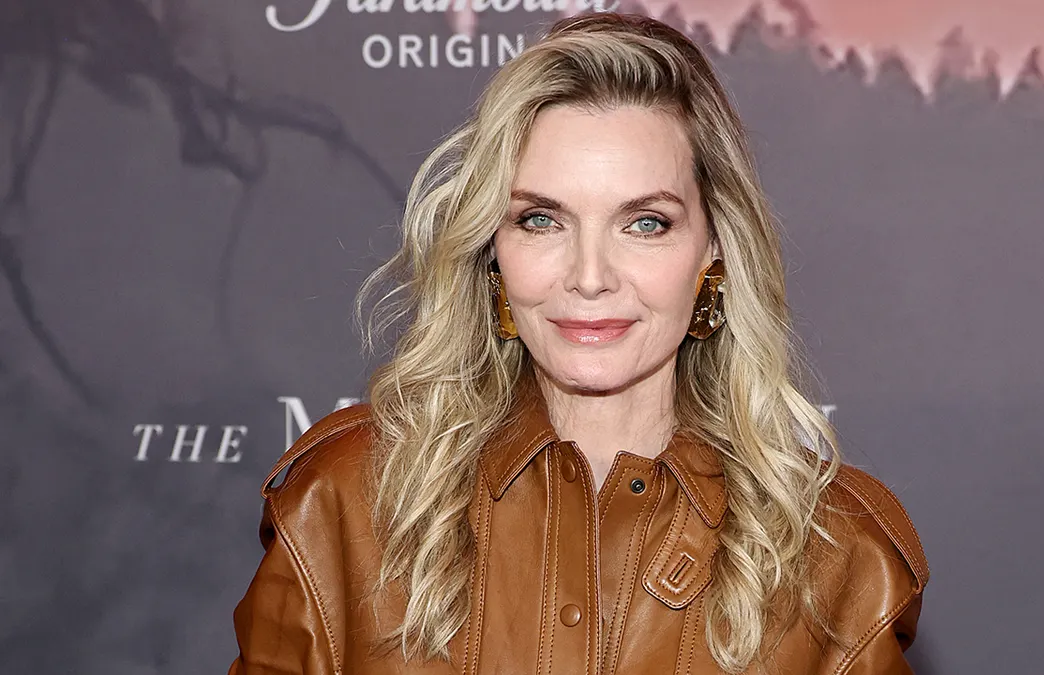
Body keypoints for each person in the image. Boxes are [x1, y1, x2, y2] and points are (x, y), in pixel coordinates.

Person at [228, 11, 929, 675]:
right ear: (492, 245)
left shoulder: (840, 555)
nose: (590, 277)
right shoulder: (343, 502)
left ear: (714, 246)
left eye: (645, 222)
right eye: (542, 219)